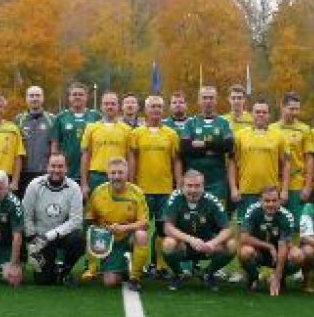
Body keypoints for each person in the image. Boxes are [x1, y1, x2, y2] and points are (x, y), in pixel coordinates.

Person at [128, 95, 181, 277]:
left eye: (159, 106)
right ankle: (137, 265)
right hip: (142, 190)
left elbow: (176, 162)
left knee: (161, 228)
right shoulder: (136, 133)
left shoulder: (171, 134)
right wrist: (131, 183)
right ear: (146, 109)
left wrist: (178, 184)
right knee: (140, 228)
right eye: (153, 107)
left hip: (165, 190)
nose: (156, 110)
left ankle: (159, 266)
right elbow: (132, 159)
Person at [162, 170, 236, 291]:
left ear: (203, 186)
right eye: (189, 186)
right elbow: (167, 228)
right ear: (183, 185)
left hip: (207, 245)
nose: (193, 190)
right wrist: (190, 240)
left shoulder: (212, 200)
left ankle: (208, 273)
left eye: (197, 186)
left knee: (232, 245)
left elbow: (227, 230)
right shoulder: (175, 197)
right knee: (168, 244)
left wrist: (213, 243)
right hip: (184, 244)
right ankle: (179, 274)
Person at [85, 157, 149, 291]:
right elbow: (90, 222)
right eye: (113, 173)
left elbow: (144, 223)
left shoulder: (136, 193)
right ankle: (125, 266)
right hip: (109, 240)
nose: (117, 176)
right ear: (108, 174)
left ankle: (135, 277)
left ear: (127, 173)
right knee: (110, 282)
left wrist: (123, 228)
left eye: (120, 173)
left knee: (141, 235)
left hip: (129, 237)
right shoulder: (98, 192)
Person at [22, 153, 84, 286]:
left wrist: (50, 235)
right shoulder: (34, 185)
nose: (56, 170)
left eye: (60, 166)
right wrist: (32, 237)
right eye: (53, 166)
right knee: (43, 281)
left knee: (78, 239)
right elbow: (26, 214)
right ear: (47, 167)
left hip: (61, 236)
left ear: (66, 168)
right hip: (39, 238)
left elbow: (76, 221)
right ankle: (52, 269)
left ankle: (65, 271)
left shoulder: (74, 188)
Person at [229, 99, 290, 224]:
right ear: (252, 114)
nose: (261, 114)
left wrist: (284, 190)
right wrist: (233, 188)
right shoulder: (239, 136)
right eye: (257, 112)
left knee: (269, 228)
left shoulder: (279, 137)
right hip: (246, 191)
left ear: (269, 115)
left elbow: (285, 165)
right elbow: (232, 163)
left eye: (264, 112)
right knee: (245, 229)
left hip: (271, 193)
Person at [238, 185, 302, 296]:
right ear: (260, 201)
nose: (271, 204)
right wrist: (269, 246)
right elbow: (243, 237)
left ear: (279, 201)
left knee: (298, 256)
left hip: (279, 253)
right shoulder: (253, 210)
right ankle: (253, 277)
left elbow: (283, 247)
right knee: (244, 251)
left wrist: (277, 275)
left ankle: (278, 278)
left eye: (274, 201)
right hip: (258, 251)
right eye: (267, 201)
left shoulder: (286, 216)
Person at [268, 92, 314, 232]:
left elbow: (309, 159)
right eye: (291, 108)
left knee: (297, 225)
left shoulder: (305, 129)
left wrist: (307, 186)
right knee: (275, 222)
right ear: (282, 107)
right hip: (275, 182)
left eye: (297, 109)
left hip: (296, 183)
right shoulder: (271, 128)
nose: (295, 112)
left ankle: (296, 251)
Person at [180, 86, 233, 201]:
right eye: (204, 98)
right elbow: (185, 148)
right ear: (199, 101)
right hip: (193, 180)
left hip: (217, 181)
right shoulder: (190, 122)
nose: (208, 101)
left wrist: (203, 145)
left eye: (211, 98)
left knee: (217, 216)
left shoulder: (223, 122)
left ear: (216, 101)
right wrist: (216, 146)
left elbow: (228, 146)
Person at [80, 91, 132, 199]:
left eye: (113, 104)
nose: (109, 106)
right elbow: (86, 157)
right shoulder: (91, 128)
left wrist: (130, 181)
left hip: (119, 176)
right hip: (96, 176)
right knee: (95, 212)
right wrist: (84, 184)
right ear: (101, 106)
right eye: (106, 104)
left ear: (118, 106)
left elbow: (130, 158)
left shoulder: (127, 130)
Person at [50, 82, 101, 183]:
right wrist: (55, 165)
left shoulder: (96, 116)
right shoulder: (61, 117)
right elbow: (54, 144)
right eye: (74, 94)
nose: (77, 97)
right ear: (69, 97)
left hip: (91, 170)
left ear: (86, 97)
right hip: (67, 170)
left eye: (81, 94)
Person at [15, 86, 54, 198]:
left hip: (44, 172)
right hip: (23, 173)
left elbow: (55, 145)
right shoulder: (19, 119)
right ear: (26, 99)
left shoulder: (52, 119)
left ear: (43, 98)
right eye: (31, 96)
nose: (34, 98)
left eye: (37, 95)